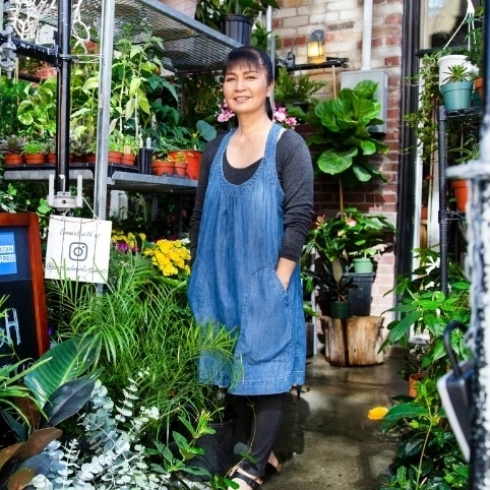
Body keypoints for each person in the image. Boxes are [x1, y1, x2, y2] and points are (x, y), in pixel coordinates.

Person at [188, 46, 314, 490]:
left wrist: (279, 280)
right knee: (229, 368)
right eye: (231, 78)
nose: (240, 86)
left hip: (265, 278)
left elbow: (299, 217)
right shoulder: (215, 147)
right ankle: (259, 451)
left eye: (250, 77)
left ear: (269, 86)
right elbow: (201, 213)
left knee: (267, 368)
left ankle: (253, 466)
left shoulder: (287, 146)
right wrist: (197, 271)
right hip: (217, 278)